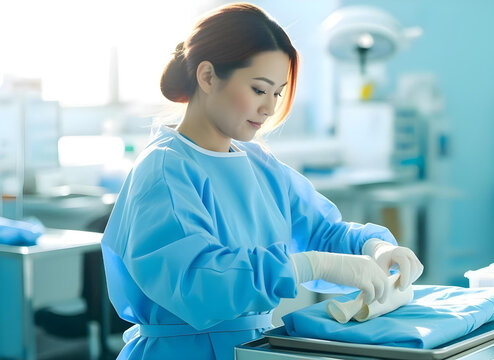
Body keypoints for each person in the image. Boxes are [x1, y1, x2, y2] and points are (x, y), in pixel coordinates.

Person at [101, 3, 423, 359]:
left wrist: (374, 248)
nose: (270, 108)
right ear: (207, 77)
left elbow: (321, 233)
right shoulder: (165, 169)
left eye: (278, 93)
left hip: (254, 348)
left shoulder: (259, 164)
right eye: (259, 89)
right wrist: (308, 266)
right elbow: (199, 283)